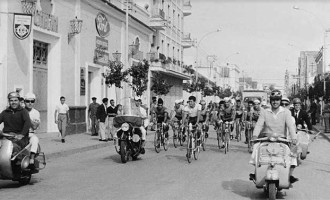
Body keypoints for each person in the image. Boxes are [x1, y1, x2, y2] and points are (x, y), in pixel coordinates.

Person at [249, 90, 298, 184]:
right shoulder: (265, 112)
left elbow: (290, 126)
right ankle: (256, 172)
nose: (275, 102)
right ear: (270, 101)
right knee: (257, 149)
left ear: (280, 101)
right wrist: (255, 135)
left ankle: (289, 175)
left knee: (290, 154)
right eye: (273, 100)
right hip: (266, 138)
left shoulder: (286, 112)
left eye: (277, 100)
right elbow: (259, 124)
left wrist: (294, 137)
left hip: (281, 139)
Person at [24, 92, 40, 168]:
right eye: (27, 101)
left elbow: (34, 126)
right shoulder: (20, 111)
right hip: (20, 133)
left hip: (30, 133)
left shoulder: (36, 113)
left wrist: (27, 117)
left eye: (32, 101)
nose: (30, 103)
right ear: (24, 101)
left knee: (35, 139)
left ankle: (32, 159)